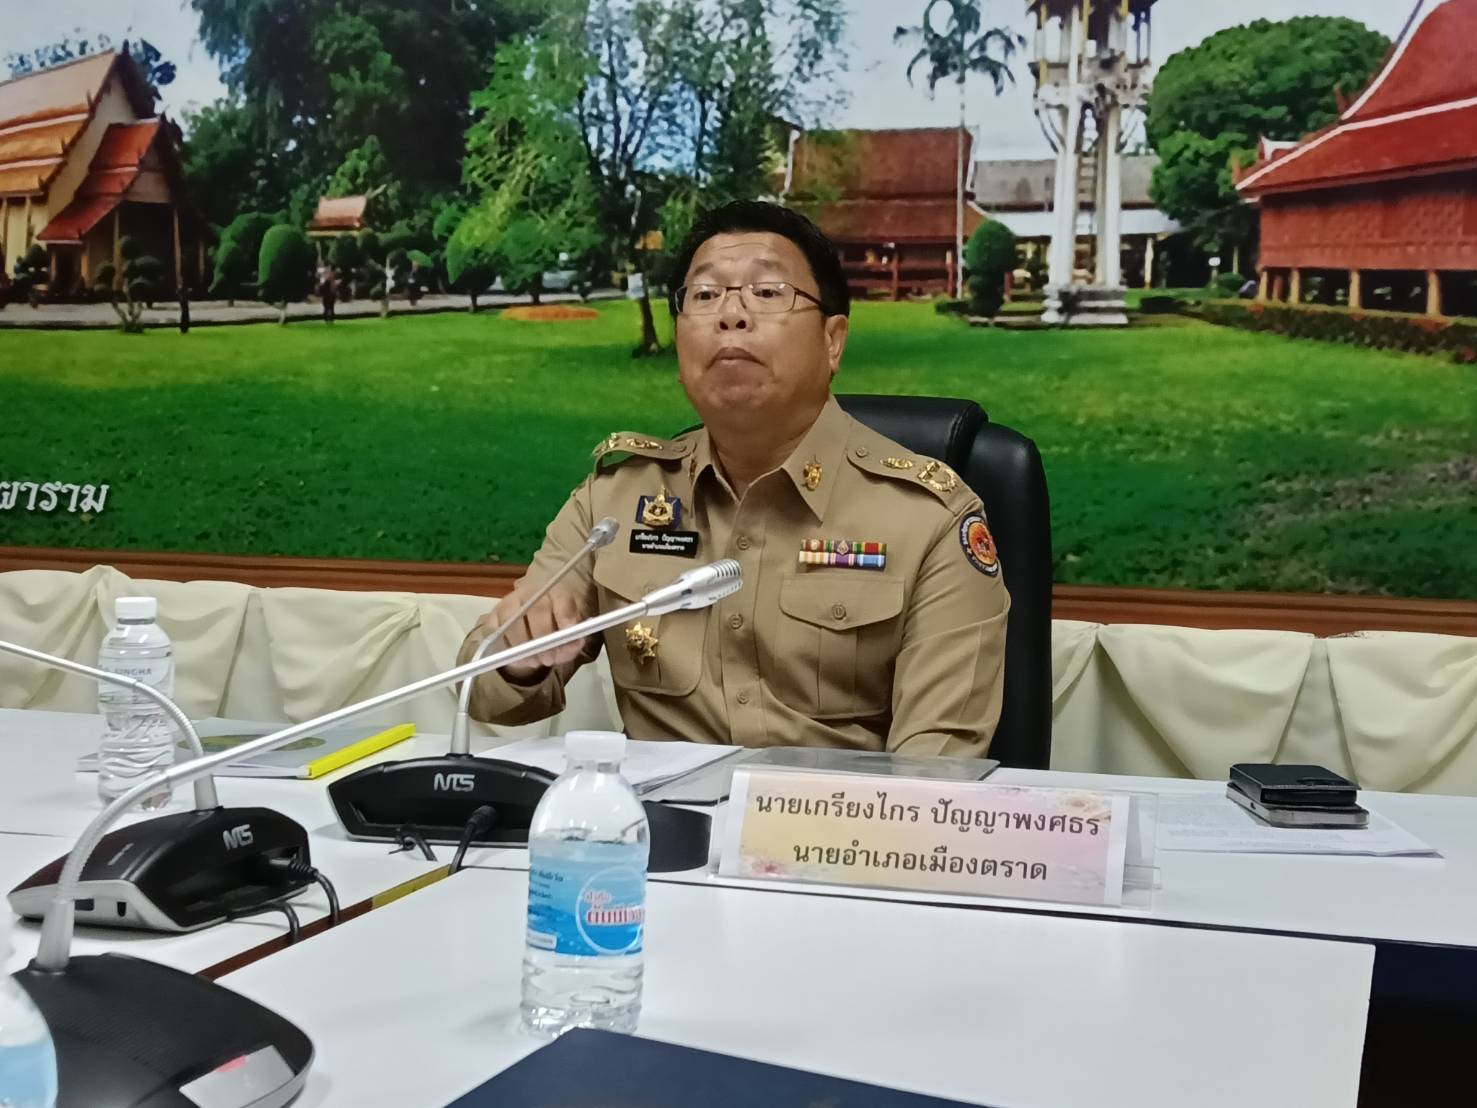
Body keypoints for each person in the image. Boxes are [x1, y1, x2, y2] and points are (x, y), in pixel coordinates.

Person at [458, 201, 1010, 756]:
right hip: (656, 811)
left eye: (767, 292)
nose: (731, 315)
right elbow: (482, 693)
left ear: (833, 340)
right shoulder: (616, 502)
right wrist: (520, 657)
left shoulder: (928, 519)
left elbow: (935, 770)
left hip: (837, 812)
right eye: (704, 295)